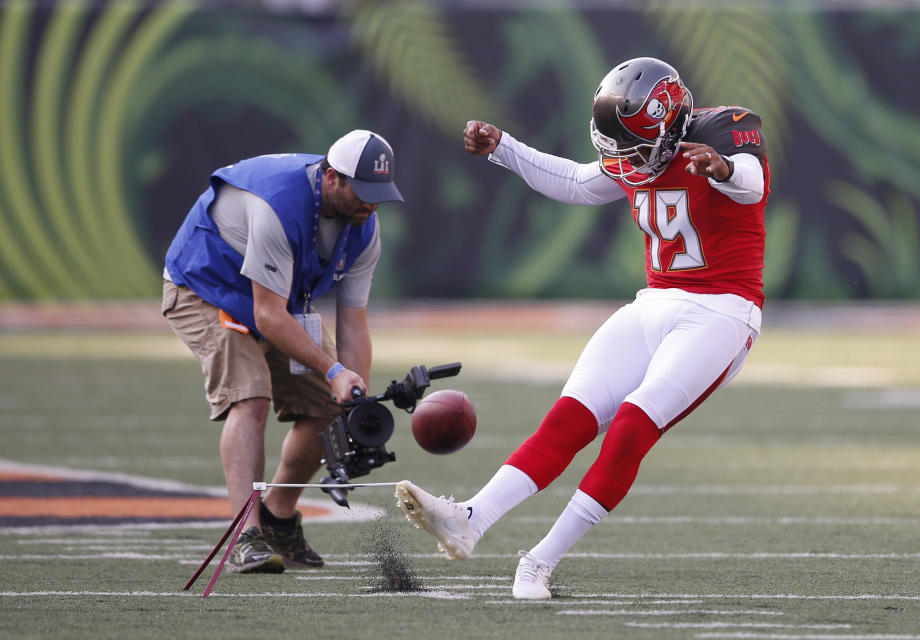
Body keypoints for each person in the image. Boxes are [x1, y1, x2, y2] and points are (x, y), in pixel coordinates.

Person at [395, 57, 769, 599]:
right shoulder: (636, 148)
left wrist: (726, 170)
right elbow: (575, 181)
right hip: (654, 302)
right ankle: (470, 519)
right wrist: (504, 146)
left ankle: (539, 562)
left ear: (671, 128)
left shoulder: (722, 133)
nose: (624, 160)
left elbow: (753, 186)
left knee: (631, 429)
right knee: (568, 419)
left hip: (721, 311)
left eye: (636, 148)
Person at [163, 130, 404, 573]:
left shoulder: (364, 230)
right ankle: (246, 535)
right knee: (250, 394)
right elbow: (268, 315)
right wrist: (334, 369)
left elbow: (354, 323)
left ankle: (276, 516)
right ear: (332, 178)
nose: (371, 205)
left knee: (330, 406)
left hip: (275, 299)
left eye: (379, 195)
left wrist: (357, 402)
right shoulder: (279, 205)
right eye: (364, 192)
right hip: (208, 287)